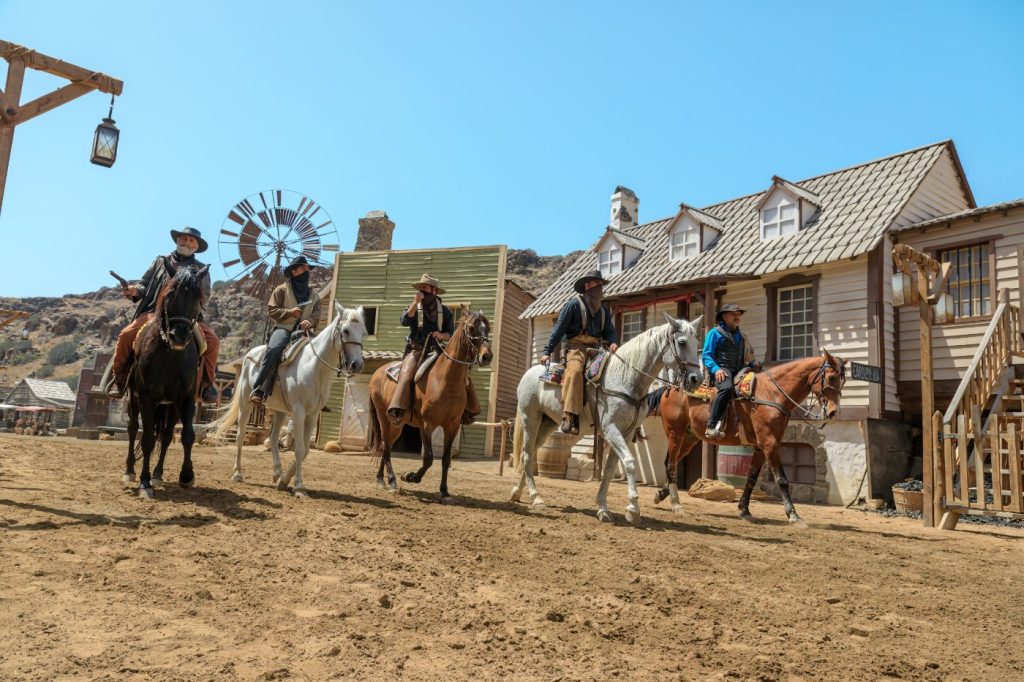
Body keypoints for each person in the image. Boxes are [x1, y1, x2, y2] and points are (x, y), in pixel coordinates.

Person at [107, 227, 220, 402]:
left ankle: (207, 383)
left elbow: (204, 297)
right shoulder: (160, 261)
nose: (186, 242)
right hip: (154, 312)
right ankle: (119, 378)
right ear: (177, 240)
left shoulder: (201, 269)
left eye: (191, 240)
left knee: (213, 341)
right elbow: (144, 285)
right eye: (183, 238)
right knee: (126, 335)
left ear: (196, 247)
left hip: (185, 316)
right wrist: (134, 290)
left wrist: (187, 309)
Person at [386, 273, 480, 426]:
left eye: (426, 288)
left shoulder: (446, 312)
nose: (422, 290)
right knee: (407, 374)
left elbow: (450, 334)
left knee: (463, 374)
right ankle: (398, 409)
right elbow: (404, 321)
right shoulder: (414, 306)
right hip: (416, 351)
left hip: (438, 351)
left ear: (434, 291)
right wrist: (414, 302)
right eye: (421, 287)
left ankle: (469, 411)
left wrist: (441, 335)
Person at [540, 269, 618, 434]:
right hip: (576, 349)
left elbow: (610, 332)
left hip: (597, 351)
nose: (599, 287)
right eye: (596, 284)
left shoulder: (604, 311)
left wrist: (613, 342)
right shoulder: (573, 305)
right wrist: (547, 351)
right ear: (587, 286)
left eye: (600, 284)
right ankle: (569, 416)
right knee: (575, 372)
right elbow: (558, 330)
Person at [250, 255, 322, 405]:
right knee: (274, 349)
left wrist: (310, 321)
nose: (306, 271)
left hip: (304, 333)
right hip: (284, 328)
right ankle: (259, 388)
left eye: (307, 269)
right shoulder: (281, 290)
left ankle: (319, 396)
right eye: (303, 268)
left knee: (321, 352)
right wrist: (289, 313)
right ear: (293, 271)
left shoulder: (315, 295)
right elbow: (272, 310)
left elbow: (316, 316)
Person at [702, 303, 761, 438]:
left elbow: (748, 355)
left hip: (740, 370)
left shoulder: (742, 335)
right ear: (724, 317)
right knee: (727, 388)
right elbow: (706, 355)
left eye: (738, 314)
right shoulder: (714, 333)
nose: (737, 317)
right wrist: (716, 370)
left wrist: (754, 363)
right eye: (733, 314)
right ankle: (711, 425)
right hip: (722, 370)